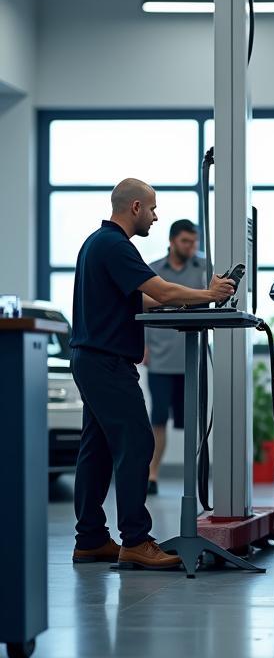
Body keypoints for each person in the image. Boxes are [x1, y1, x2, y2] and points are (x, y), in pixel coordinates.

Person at [69, 179, 235, 571]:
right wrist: (209, 295)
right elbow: (160, 291)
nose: (157, 217)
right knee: (138, 442)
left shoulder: (97, 243)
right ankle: (136, 541)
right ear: (136, 207)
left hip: (91, 358)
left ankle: (90, 539)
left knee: (95, 452)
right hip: (106, 362)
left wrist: (186, 300)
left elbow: (137, 296)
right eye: (154, 210)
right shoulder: (115, 245)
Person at [143, 218, 206, 495]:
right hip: (160, 357)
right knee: (157, 419)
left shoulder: (204, 269)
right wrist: (143, 346)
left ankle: (193, 480)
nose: (191, 247)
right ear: (172, 241)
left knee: (191, 420)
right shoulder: (153, 271)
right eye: (186, 241)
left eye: (194, 242)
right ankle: (152, 474)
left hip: (191, 358)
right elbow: (140, 310)